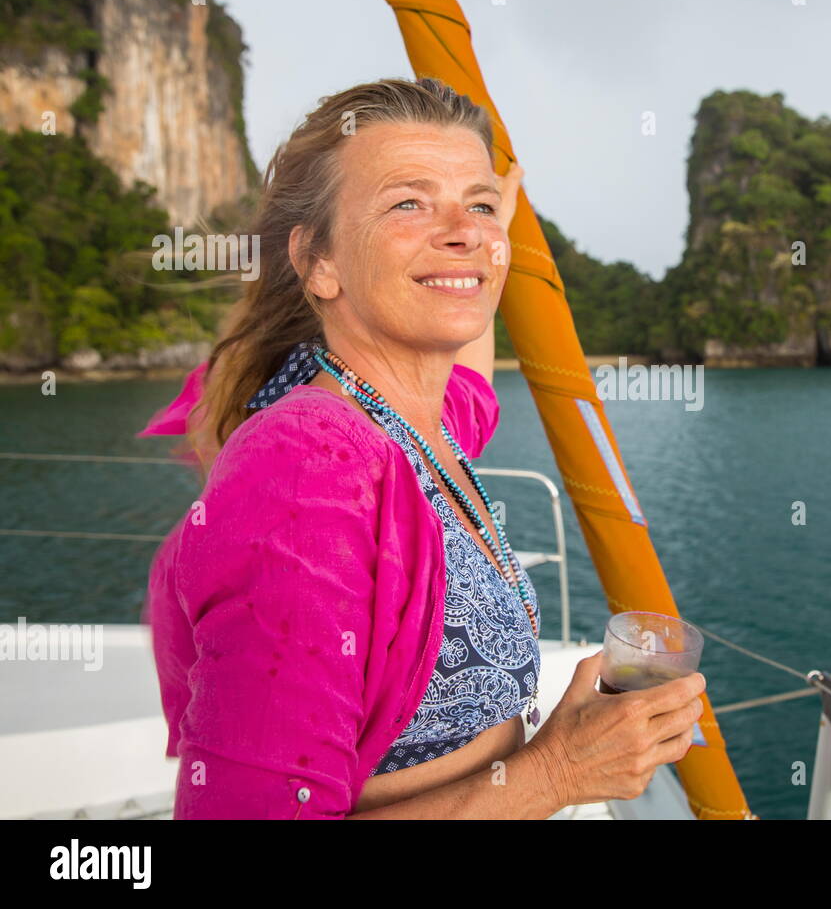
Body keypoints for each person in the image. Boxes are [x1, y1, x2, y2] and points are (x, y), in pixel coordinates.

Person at [141, 77, 705, 818]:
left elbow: (471, 367)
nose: (465, 228)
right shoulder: (308, 468)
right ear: (318, 262)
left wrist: (474, 244)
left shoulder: (420, 426)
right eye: (408, 202)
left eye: (475, 205)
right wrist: (560, 772)